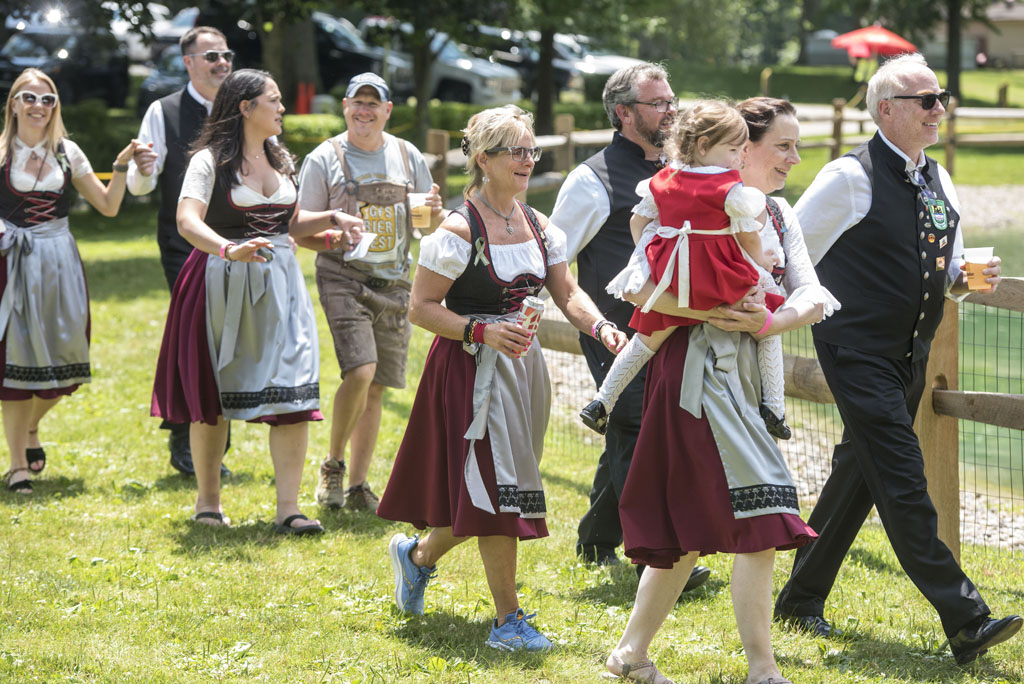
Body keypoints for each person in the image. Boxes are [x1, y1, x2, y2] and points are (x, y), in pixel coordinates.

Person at [773, 53, 1021, 664]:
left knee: (859, 474)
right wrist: (778, 318)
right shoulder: (847, 177)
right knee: (905, 479)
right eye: (926, 100)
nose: (939, 110)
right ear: (887, 110)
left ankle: (799, 599)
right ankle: (966, 618)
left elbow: (950, 270)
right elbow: (786, 252)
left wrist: (966, 279)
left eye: (942, 99)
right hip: (855, 349)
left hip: (910, 353)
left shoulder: (939, 177)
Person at [603, 97, 839, 684]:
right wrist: (710, 310)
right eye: (782, 146)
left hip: (745, 375)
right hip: (694, 373)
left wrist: (768, 322)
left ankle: (630, 655)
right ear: (741, 149)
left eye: (796, 145)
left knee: (693, 523)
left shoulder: (776, 213)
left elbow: (811, 292)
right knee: (766, 510)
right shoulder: (678, 201)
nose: (794, 158)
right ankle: (763, 670)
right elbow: (638, 288)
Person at [376, 105, 628, 650]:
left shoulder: (538, 224)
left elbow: (566, 291)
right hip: (470, 370)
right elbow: (420, 308)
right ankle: (508, 622)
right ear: (483, 159)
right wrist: (481, 331)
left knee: (495, 490)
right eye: (515, 150)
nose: (527, 160)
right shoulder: (457, 229)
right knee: (496, 490)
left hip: (523, 370)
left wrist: (602, 326)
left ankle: (416, 557)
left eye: (530, 150)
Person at [150, 69, 363, 530]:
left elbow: (289, 223)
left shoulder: (280, 157)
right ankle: (208, 503)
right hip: (220, 283)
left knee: (293, 391)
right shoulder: (208, 161)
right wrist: (229, 249)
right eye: (274, 100)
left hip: (282, 287)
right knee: (214, 394)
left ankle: (289, 509)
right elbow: (187, 220)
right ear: (246, 107)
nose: (283, 108)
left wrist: (332, 222)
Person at [548, 63, 710, 589]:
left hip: (674, 328)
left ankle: (596, 539)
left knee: (635, 429)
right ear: (623, 112)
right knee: (638, 429)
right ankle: (655, 556)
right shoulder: (590, 179)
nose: (671, 111)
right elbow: (553, 259)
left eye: (671, 100)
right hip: (616, 332)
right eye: (657, 103)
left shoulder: (682, 170)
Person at [582, 99, 790, 442]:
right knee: (767, 321)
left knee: (644, 342)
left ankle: (602, 401)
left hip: (671, 277)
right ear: (705, 146)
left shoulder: (664, 179)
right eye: (733, 149)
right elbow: (747, 235)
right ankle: (775, 408)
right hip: (717, 276)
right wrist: (763, 260)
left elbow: (638, 221)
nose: (739, 158)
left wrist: (650, 253)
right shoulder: (729, 188)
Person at [296, 72, 444, 512]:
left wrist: (435, 214)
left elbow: (427, 227)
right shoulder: (324, 158)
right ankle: (333, 465)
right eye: (356, 102)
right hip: (344, 277)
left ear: (387, 110)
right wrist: (334, 235)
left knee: (377, 386)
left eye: (372, 103)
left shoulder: (407, 156)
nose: (364, 111)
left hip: (395, 283)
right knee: (360, 371)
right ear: (345, 107)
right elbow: (298, 228)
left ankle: (358, 485)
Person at [0, 68, 140, 494]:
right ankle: (17, 466)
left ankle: (30, 428)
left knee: (67, 358)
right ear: (13, 104)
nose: (38, 106)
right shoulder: (2, 152)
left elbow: (108, 207)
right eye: (29, 97)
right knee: (14, 365)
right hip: (11, 262)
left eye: (48, 99)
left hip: (59, 262)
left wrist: (120, 166)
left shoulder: (67, 152)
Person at [128, 26, 234, 477]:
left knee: (229, 339)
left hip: (236, 245)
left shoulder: (242, 108)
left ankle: (215, 443)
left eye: (226, 55)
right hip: (184, 247)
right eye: (211, 56)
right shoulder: (163, 111)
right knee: (197, 338)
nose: (222, 63)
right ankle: (184, 438)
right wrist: (142, 169)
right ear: (188, 62)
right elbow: (140, 187)